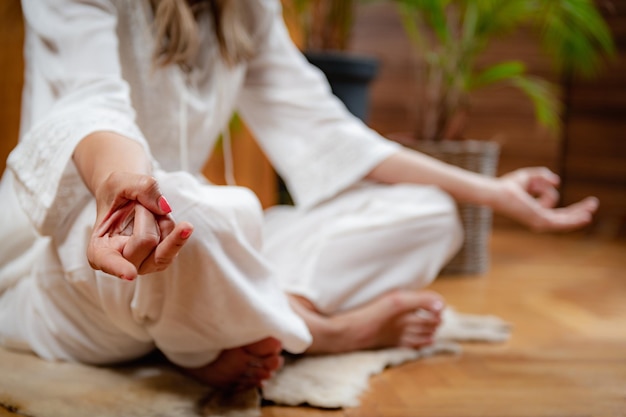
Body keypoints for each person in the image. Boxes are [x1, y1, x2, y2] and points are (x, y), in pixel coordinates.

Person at [0, 0, 598, 391]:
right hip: (86, 259)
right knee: (202, 213)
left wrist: (493, 193)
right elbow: (90, 100)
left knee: (430, 213)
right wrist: (121, 188)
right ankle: (323, 331)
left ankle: (254, 314)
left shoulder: (247, 10)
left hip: (181, 244)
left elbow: (331, 135)